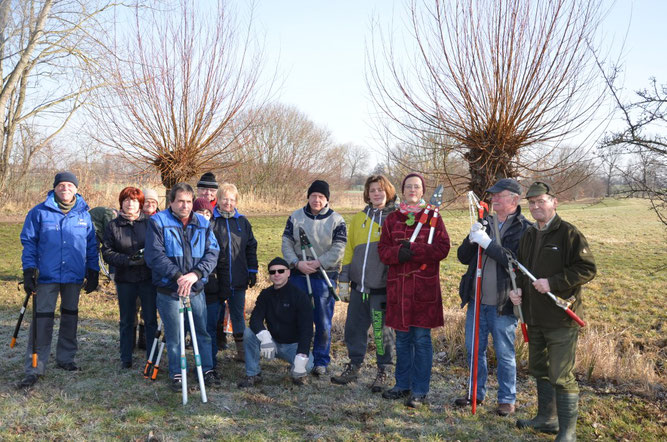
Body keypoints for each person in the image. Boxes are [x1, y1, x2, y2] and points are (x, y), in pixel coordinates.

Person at [509, 182, 596, 441]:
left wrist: (553, 283)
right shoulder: (528, 234)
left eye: (541, 201)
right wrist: (518, 292)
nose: (536, 207)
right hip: (534, 317)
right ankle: (546, 419)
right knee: (540, 369)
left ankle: (567, 432)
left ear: (554, 202)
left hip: (560, 318)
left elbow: (587, 269)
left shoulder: (568, 233)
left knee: (561, 374)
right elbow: (523, 272)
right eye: (532, 203)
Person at [455, 178, 532, 416]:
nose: (494, 198)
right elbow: (462, 257)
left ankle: (507, 399)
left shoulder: (524, 228)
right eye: (493, 195)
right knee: (473, 350)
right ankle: (475, 392)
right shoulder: (483, 222)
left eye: (499, 195)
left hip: (503, 303)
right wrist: (471, 239)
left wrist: (487, 244)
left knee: (505, 353)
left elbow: (515, 263)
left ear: (515, 199)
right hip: (476, 300)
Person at [19, 171, 99, 388]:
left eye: (70, 185)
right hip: (47, 275)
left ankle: (66, 358)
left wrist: (93, 270)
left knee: (70, 316)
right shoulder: (39, 212)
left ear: (76, 188)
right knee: (42, 319)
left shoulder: (84, 215)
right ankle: (35, 366)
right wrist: (29, 270)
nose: (65, 189)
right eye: (61, 185)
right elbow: (29, 243)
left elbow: (91, 245)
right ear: (55, 188)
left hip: (73, 275)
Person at [377, 173, 451, 408]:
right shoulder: (392, 219)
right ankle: (402, 385)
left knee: (421, 340)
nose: (412, 189)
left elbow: (442, 248)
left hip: (423, 289)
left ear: (422, 191)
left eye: (416, 186)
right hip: (399, 290)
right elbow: (383, 251)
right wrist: (399, 254)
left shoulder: (433, 218)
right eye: (408, 186)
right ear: (402, 189)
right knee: (401, 340)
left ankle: (419, 390)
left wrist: (416, 250)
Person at [144, 182, 221, 391]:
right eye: (180, 201)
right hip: (169, 289)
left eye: (188, 202)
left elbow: (213, 252)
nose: (185, 206)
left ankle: (206, 369)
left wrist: (195, 275)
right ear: (171, 202)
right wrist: (179, 276)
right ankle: (178, 373)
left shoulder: (203, 224)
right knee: (175, 335)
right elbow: (154, 256)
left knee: (202, 331)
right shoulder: (158, 222)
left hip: (196, 290)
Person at [331, 175, 397, 392]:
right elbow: (349, 249)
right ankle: (354, 365)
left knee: (381, 332)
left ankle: (384, 369)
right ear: (367, 193)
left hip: (381, 289)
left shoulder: (394, 219)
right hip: (358, 288)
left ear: (388, 192)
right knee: (353, 329)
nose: (376, 193)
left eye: (380, 190)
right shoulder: (359, 217)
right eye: (372, 190)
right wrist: (344, 278)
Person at [281, 179, 346, 376]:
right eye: (313, 196)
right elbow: (286, 243)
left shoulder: (337, 220)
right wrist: (297, 263)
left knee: (323, 322)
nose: (316, 200)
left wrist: (318, 263)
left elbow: (338, 249)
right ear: (308, 196)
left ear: (326, 199)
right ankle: (298, 357)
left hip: (324, 276)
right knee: (297, 319)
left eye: (321, 197)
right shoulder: (296, 217)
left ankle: (320, 360)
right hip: (299, 275)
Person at [101, 187, 157, 369]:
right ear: (121, 203)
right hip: (125, 279)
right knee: (126, 319)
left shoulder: (150, 223)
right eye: (126, 200)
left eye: (134, 200)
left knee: (149, 318)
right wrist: (128, 260)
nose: (130, 204)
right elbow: (107, 252)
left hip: (147, 278)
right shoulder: (113, 226)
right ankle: (126, 356)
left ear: (140, 203)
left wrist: (145, 258)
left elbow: (158, 246)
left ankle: (152, 356)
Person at [238, 257, 314, 387]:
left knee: (307, 366)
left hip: (292, 345)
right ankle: (253, 374)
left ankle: (297, 374)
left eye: (281, 271)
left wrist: (302, 354)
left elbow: (306, 329)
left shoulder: (300, 296)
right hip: (271, 342)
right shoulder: (265, 294)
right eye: (272, 272)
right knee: (248, 333)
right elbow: (255, 319)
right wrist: (265, 337)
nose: (276, 274)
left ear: (288, 273)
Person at [209, 183, 258, 364]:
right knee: (213, 316)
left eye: (232, 199)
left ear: (236, 201)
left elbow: (251, 247)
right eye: (224, 199)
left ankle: (242, 353)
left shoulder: (242, 222)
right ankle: (211, 353)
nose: (228, 203)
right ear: (218, 200)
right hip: (215, 279)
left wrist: (252, 270)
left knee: (238, 316)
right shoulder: (211, 221)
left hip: (238, 277)